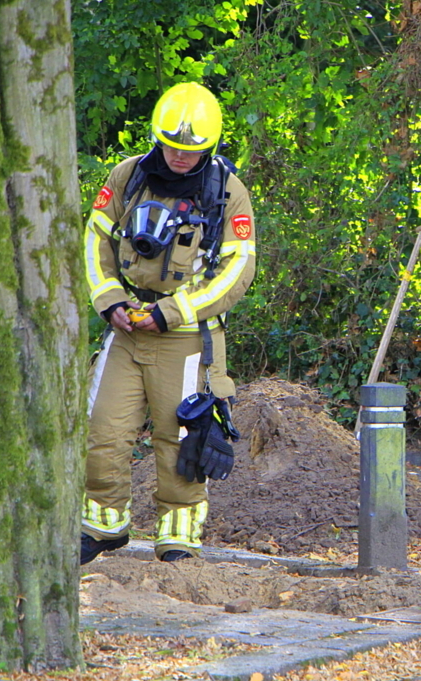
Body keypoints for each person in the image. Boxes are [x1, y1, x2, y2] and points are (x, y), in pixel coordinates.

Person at [81, 82, 256, 564]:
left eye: (191, 148)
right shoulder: (128, 176)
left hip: (185, 339)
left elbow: (238, 271)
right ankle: (103, 527)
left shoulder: (227, 192)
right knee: (102, 428)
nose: (180, 155)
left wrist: (172, 312)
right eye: (172, 145)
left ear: (210, 145)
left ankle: (178, 539)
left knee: (181, 440)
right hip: (125, 330)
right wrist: (110, 300)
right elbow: (96, 240)